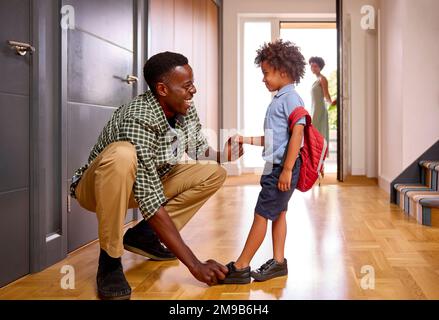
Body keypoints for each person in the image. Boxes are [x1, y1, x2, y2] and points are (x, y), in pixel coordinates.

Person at [70, 51, 244, 299]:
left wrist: (222, 155)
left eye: (192, 84)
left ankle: (144, 236)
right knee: (122, 154)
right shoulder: (138, 117)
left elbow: (195, 146)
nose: (193, 90)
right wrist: (194, 264)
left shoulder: (182, 105)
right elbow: (150, 200)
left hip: (146, 182)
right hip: (97, 188)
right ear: (162, 89)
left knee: (213, 173)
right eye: (187, 86)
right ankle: (110, 259)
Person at [219, 40, 306, 284]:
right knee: (278, 213)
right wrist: (244, 139)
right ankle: (279, 263)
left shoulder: (291, 99)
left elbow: (298, 134)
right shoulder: (278, 100)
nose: (263, 79)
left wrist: (287, 169)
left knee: (261, 214)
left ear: (284, 72)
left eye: (266, 73)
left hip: (282, 169)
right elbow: (274, 140)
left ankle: (241, 266)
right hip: (276, 167)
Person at [309, 56, 336, 145]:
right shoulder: (316, 80)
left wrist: (332, 103)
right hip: (314, 109)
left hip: (319, 109)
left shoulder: (322, 79)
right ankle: (314, 155)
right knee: (313, 132)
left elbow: (326, 95)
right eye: (312, 66)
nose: (313, 68)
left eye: (315, 66)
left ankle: (318, 154)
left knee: (315, 132)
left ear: (320, 67)